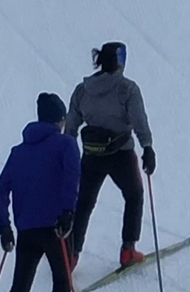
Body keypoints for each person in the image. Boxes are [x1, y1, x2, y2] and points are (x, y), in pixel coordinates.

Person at [0, 93, 80, 292]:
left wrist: (5, 227)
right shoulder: (66, 145)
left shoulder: (18, 152)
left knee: (20, 285)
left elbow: (1, 189)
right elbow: (72, 178)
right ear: (59, 119)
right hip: (56, 229)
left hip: (26, 230)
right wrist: (67, 212)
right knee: (62, 281)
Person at [64, 41, 155, 268]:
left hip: (91, 155)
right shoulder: (128, 89)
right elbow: (139, 120)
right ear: (121, 61)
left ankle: (71, 254)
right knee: (133, 195)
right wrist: (148, 147)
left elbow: (71, 126)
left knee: (84, 202)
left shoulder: (83, 90)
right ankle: (128, 250)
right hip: (121, 154)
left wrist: (67, 153)